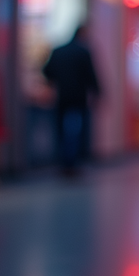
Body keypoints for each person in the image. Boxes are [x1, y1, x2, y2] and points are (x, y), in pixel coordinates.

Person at [43, 25, 101, 176]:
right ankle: (71, 163)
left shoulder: (58, 51)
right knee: (75, 131)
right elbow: (91, 75)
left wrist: (55, 82)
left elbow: (47, 71)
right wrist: (98, 93)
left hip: (61, 97)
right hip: (77, 98)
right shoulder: (83, 52)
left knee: (61, 130)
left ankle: (62, 162)